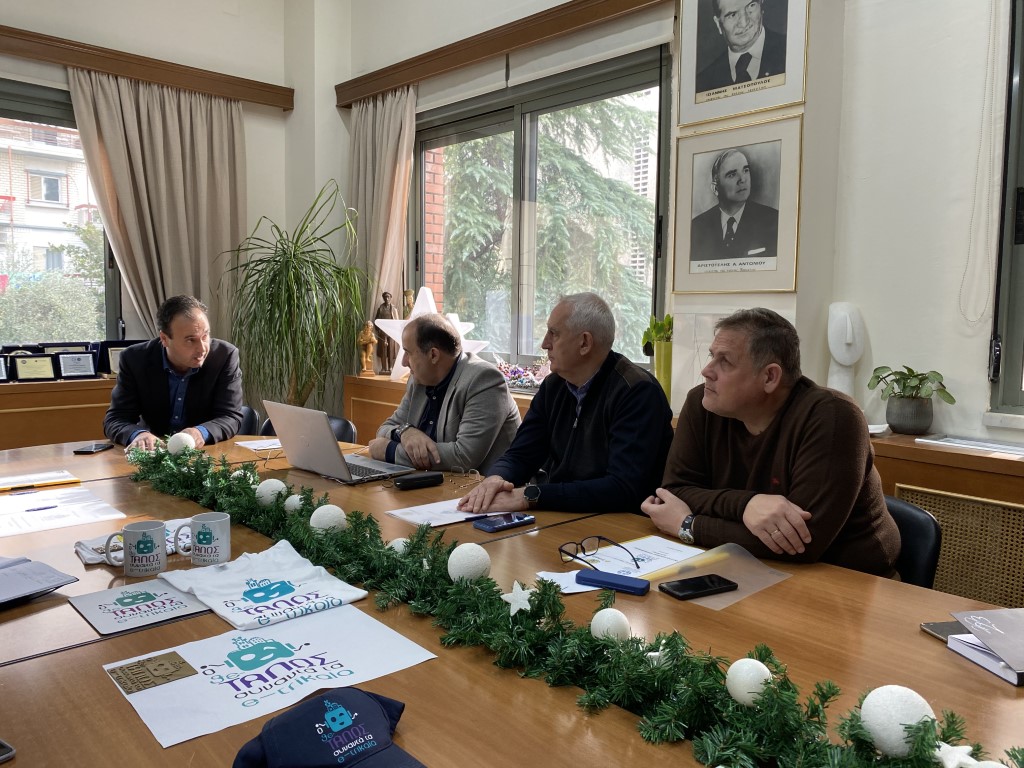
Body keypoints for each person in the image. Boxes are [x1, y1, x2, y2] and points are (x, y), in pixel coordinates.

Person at [640, 308, 900, 576]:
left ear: (769, 377)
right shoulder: (703, 403)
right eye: (711, 356)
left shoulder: (834, 416)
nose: (707, 370)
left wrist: (689, 525)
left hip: (849, 578)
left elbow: (802, 542)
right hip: (746, 567)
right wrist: (747, 505)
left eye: (725, 361)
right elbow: (673, 492)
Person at [458, 292, 674, 515]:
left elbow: (622, 489)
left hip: (620, 524)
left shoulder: (636, 391)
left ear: (584, 343)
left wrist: (531, 496)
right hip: (562, 513)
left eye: (554, 334)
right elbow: (521, 454)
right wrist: (495, 479)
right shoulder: (553, 386)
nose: (544, 344)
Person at [368, 313, 521, 473]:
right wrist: (406, 431)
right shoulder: (419, 380)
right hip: (435, 482)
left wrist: (389, 451)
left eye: (408, 352)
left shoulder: (484, 380)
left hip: (489, 485)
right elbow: (386, 428)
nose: (403, 361)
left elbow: (463, 457)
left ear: (433, 355)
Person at [104, 295, 244, 451]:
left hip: (205, 452)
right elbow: (115, 419)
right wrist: (138, 434)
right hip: (154, 453)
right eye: (190, 340)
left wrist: (200, 432)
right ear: (164, 339)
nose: (202, 348)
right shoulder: (135, 359)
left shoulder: (224, 356)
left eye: (205, 336)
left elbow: (230, 417)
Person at [690, 148, 778, 262]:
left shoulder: (773, 220)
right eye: (732, 175)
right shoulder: (697, 227)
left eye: (745, 170)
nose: (742, 179)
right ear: (715, 188)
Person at [696, 0, 787, 93]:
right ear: (718, 24)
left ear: (761, 6)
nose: (744, 23)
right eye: (732, 15)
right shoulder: (703, 83)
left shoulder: (791, 52)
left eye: (751, 6)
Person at [374, 292, 400, 374]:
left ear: (390, 298)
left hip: (391, 332)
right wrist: (378, 330)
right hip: (383, 332)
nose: (387, 298)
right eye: (385, 297)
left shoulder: (394, 309)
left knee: (391, 351)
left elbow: (397, 321)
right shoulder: (380, 309)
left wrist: (395, 330)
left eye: (388, 297)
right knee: (383, 351)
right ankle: (383, 368)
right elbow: (376, 321)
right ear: (383, 298)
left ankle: (391, 367)